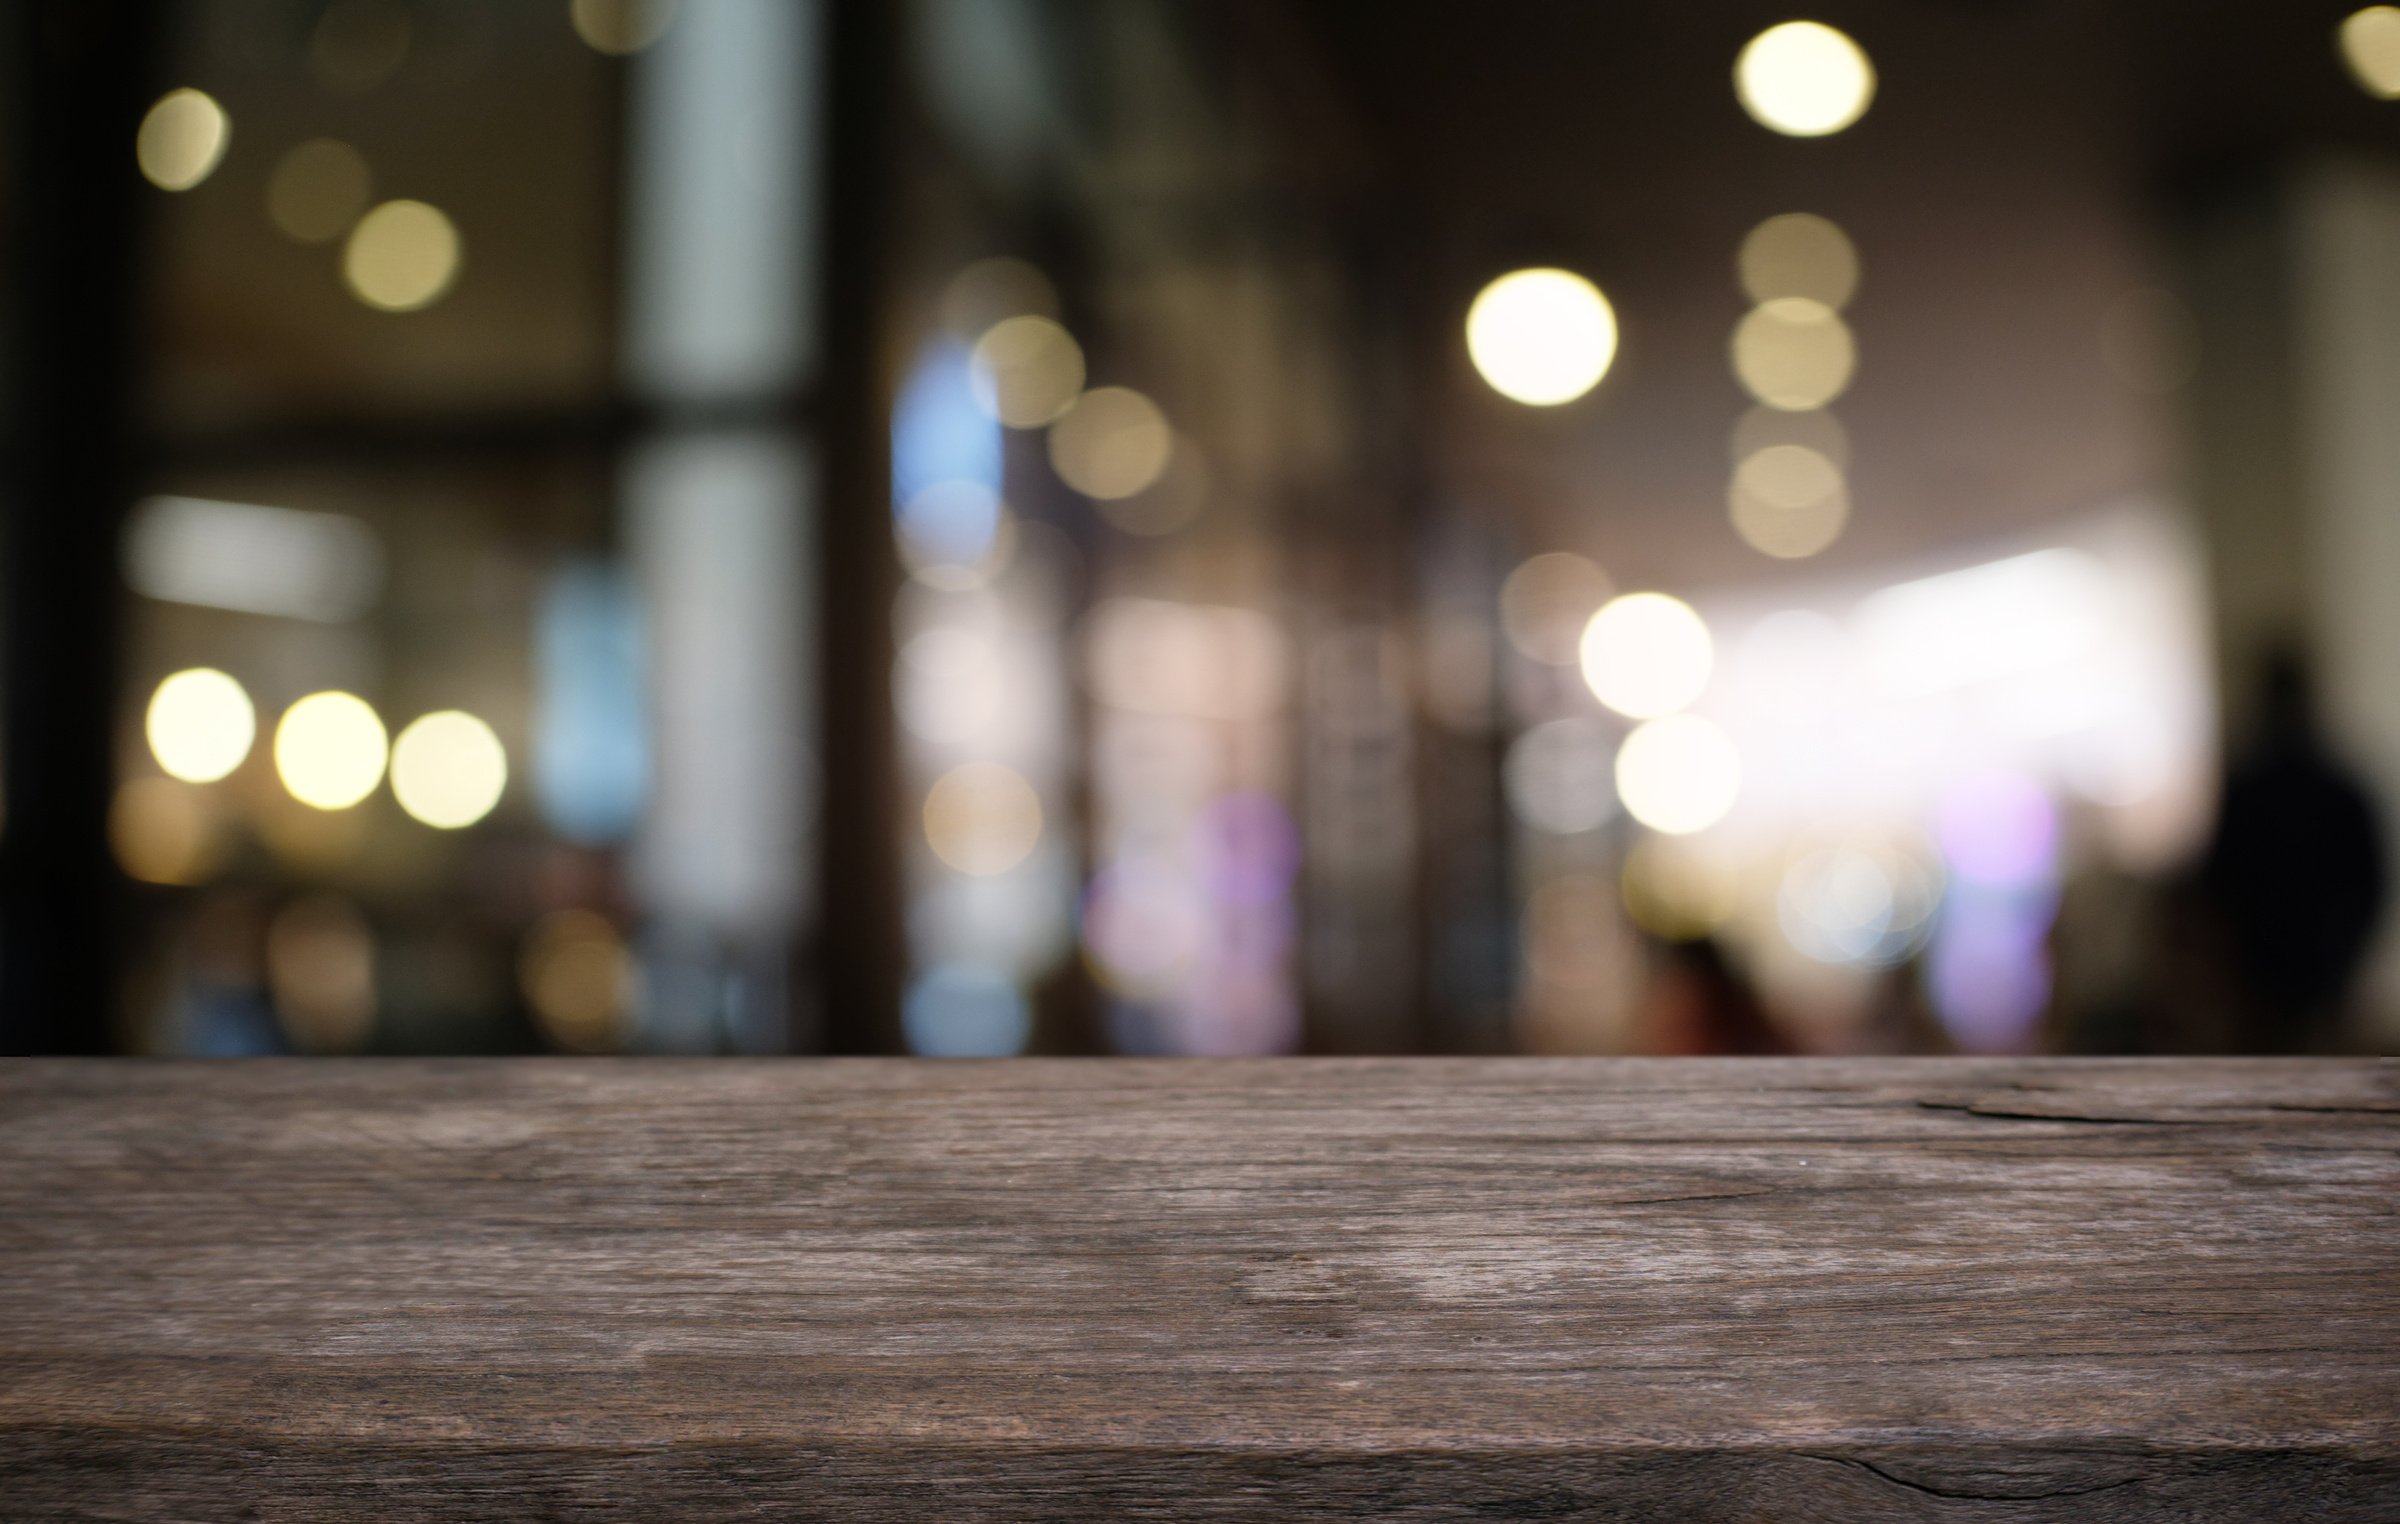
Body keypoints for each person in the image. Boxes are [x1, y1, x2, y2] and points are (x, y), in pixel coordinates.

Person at [2200, 648, 2389, 1053]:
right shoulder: (2339, 786)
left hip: (2274, 969)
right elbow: (2371, 882)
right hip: (2309, 965)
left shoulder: (2249, 788)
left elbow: (2217, 880)